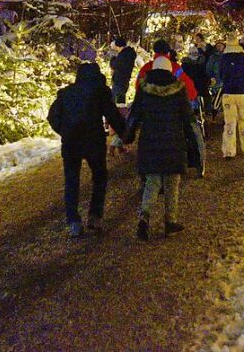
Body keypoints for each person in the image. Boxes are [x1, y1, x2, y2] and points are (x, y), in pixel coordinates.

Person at [48, 61, 127, 237]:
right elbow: (112, 114)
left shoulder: (66, 93)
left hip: (71, 143)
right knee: (99, 176)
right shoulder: (100, 91)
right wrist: (124, 134)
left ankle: (73, 222)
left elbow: (52, 116)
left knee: (71, 181)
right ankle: (94, 216)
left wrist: (64, 130)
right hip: (94, 141)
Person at [125, 56, 196, 241]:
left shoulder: (144, 89)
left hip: (150, 141)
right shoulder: (179, 90)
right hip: (173, 140)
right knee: (172, 181)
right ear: (170, 71)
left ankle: (144, 216)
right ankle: (170, 221)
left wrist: (128, 136)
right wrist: (194, 144)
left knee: (152, 181)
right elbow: (188, 118)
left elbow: (135, 115)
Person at [220, 39, 244, 158]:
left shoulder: (223, 58)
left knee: (229, 122)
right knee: (243, 119)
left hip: (228, 92)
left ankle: (229, 151)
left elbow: (219, 73)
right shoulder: (243, 56)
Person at [134, 39, 197, 104]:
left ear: (154, 51)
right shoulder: (175, 68)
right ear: (168, 51)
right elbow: (188, 85)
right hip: (171, 106)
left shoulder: (146, 67)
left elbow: (138, 86)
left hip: (151, 106)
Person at [108, 37, 137, 105]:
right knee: (119, 102)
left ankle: (119, 114)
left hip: (120, 82)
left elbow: (115, 64)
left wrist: (112, 59)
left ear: (118, 46)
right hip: (124, 81)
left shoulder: (123, 56)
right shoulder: (128, 54)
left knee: (118, 102)